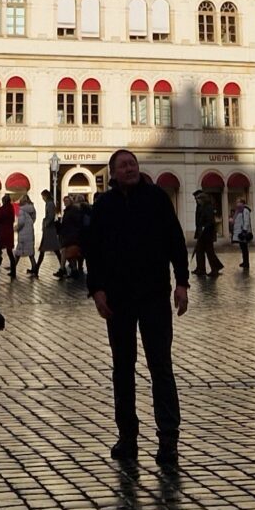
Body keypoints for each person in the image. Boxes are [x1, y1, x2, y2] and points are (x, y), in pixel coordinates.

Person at [84, 149, 189, 467]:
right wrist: (97, 289)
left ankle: (168, 438)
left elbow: (175, 241)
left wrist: (181, 282)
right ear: (113, 173)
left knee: (161, 367)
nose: (129, 169)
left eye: (132, 164)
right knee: (122, 369)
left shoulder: (157, 199)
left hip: (154, 294)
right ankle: (127, 436)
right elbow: (94, 250)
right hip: (118, 299)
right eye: (122, 166)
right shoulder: (104, 205)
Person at [192, 190, 224, 278]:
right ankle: (201, 269)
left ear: (202, 199)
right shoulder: (201, 206)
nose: (196, 200)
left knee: (210, 252)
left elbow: (210, 221)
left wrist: (203, 228)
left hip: (207, 233)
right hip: (202, 232)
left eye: (198, 199)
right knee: (199, 251)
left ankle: (215, 268)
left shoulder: (208, 207)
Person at [30, 188, 58, 278]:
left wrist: (46, 223)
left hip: (49, 230)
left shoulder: (49, 204)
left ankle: (37, 269)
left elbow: (50, 216)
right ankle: (36, 268)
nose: (42, 198)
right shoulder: (49, 203)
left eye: (43, 196)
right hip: (49, 230)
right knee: (52, 249)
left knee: (46, 249)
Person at [10, 193, 35, 279]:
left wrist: (15, 228)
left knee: (18, 252)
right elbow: (33, 219)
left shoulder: (22, 210)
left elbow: (21, 222)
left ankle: (13, 270)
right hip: (30, 231)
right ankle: (35, 269)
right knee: (31, 253)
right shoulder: (32, 208)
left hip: (23, 233)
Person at [230, 198, 255, 272]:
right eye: (237, 202)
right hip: (238, 231)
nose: (237, 204)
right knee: (242, 247)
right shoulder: (237, 211)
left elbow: (246, 221)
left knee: (244, 248)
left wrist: (244, 230)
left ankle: (246, 262)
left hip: (243, 232)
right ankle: (244, 262)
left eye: (239, 202)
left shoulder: (245, 210)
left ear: (242, 203)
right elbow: (236, 221)